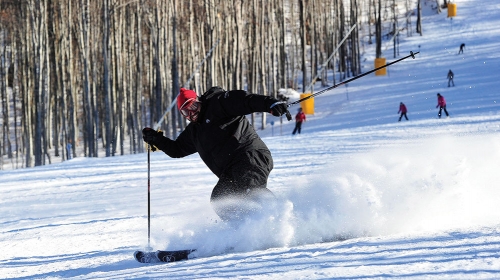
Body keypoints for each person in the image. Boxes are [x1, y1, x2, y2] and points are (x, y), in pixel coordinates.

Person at [142, 87, 291, 221]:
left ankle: (279, 218)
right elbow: (177, 150)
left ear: (198, 100)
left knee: (250, 188)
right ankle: (244, 230)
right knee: (220, 200)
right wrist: (157, 139)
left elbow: (245, 100)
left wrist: (270, 103)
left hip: (250, 156)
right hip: (230, 171)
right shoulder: (194, 132)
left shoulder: (218, 104)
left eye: (193, 106)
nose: (191, 113)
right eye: (186, 112)